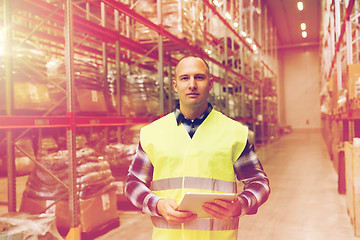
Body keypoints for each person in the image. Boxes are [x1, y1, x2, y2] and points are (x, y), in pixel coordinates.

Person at [125, 55, 270, 240]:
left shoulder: (234, 133)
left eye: (199, 77)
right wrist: (157, 204)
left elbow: (259, 183)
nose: (192, 84)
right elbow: (133, 183)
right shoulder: (152, 134)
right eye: (185, 78)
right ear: (175, 85)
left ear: (210, 84)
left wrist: (241, 204)